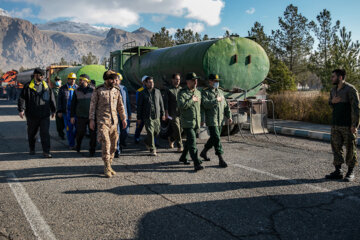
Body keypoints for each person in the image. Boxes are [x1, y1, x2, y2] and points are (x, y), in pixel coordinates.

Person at [89, 70, 127, 178]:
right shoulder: (98, 90)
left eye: (115, 79)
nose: (114, 81)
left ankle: (110, 164)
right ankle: (106, 166)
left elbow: (120, 106)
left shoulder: (116, 90)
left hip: (114, 122)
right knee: (106, 143)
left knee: (114, 145)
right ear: (106, 79)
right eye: (112, 79)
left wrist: (124, 119)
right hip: (102, 122)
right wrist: (91, 120)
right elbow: (92, 106)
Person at [326, 69, 360, 182]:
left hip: (347, 125)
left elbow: (356, 108)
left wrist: (355, 125)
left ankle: (350, 173)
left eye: (333, 77)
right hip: (335, 124)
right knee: (336, 147)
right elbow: (330, 103)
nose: (332, 78)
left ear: (340, 77)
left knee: (350, 148)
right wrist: (332, 102)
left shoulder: (350, 90)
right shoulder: (333, 90)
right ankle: (338, 171)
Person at [18, 68, 56, 158]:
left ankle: (46, 151)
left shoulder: (46, 86)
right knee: (32, 134)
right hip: (32, 115)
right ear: (35, 75)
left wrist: (54, 110)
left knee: (45, 133)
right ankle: (32, 148)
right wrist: (21, 109)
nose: (43, 77)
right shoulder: (28, 86)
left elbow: (52, 99)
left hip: (44, 114)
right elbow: (22, 98)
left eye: (43, 75)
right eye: (41, 75)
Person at [200, 74, 232, 168]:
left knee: (214, 138)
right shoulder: (205, 92)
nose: (216, 83)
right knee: (217, 138)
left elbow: (226, 106)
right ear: (210, 81)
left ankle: (204, 152)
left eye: (217, 81)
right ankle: (221, 159)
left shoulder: (221, 92)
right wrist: (215, 100)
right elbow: (205, 104)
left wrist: (229, 116)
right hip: (212, 120)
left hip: (220, 120)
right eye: (215, 81)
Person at [178, 72, 204, 171]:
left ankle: (183, 157)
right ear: (188, 82)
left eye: (196, 80)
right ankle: (196, 163)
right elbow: (181, 106)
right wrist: (191, 100)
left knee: (189, 141)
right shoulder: (182, 93)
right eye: (193, 80)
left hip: (196, 122)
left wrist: (202, 119)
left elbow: (200, 108)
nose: (195, 81)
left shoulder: (198, 92)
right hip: (187, 122)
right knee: (192, 142)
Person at [137, 76, 165, 156]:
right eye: (149, 82)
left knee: (157, 132)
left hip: (156, 116)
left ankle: (146, 141)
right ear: (145, 83)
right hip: (147, 116)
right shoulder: (142, 93)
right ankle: (153, 149)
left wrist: (163, 114)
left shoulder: (157, 91)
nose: (151, 83)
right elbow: (139, 106)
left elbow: (161, 103)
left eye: (152, 82)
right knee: (150, 132)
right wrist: (139, 117)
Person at [70, 74, 96, 156]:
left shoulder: (93, 91)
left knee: (93, 135)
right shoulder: (76, 91)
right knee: (80, 133)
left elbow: (97, 103)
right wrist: (72, 116)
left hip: (92, 117)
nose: (80, 81)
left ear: (87, 81)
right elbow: (73, 104)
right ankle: (78, 146)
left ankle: (92, 150)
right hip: (81, 116)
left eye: (82, 80)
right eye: (79, 80)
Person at [58, 72, 78, 149]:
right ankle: (72, 144)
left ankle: (73, 139)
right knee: (69, 128)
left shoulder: (77, 88)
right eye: (71, 79)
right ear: (68, 79)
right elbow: (59, 100)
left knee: (78, 128)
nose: (72, 81)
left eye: (74, 79)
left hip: (76, 112)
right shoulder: (63, 89)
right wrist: (59, 111)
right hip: (66, 112)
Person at [164, 73, 183, 152]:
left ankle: (171, 138)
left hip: (181, 113)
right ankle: (180, 146)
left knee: (181, 129)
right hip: (172, 114)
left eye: (178, 79)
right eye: (176, 79)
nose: (177, 81)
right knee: (177, 128)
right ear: (172, 80)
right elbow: (166, 102)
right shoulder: (168, 90)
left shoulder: (181, 89)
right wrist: (166, 113)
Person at [115, 73, 131, 158]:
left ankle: (121, 143)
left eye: (117, 80)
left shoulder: (124, 88)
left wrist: (129, 113)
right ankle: (117, 150)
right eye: (115, 80)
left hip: (124, 115)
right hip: (115, 115)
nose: (116, 81)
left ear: (120, 80)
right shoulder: (112, 89)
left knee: (125, 132)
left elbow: (127, 101)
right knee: (117, 132)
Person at [134, 76, 147, 144]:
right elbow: (138, 103)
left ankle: (153, 141)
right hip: (142, 112)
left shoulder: (151, 90)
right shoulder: (139, 91)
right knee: (139, 126)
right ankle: (136, 138)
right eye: (146, 81)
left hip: (148, 113)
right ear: (143, 82)